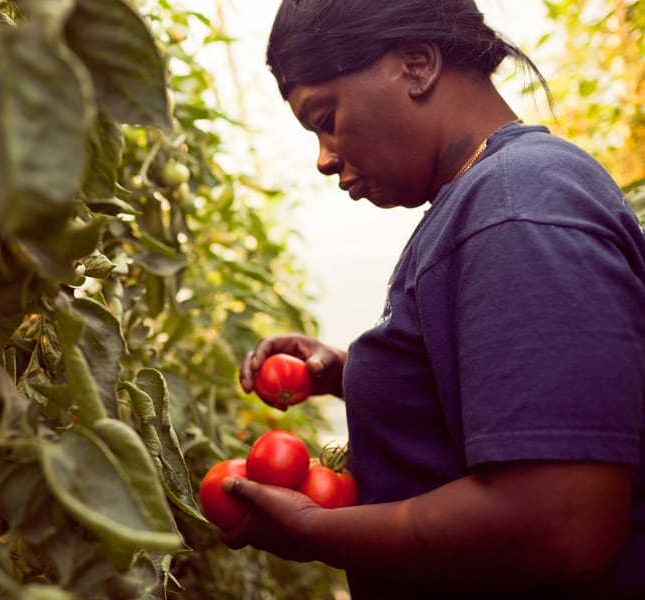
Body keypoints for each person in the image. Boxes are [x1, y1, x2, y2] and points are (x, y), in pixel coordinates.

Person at [229, 1, 645, 598]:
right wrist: (355, 375)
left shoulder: (513, 204)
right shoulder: (495, 195)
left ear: (417, 64)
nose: (323, 159)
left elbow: (561, 524)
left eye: (326, 117)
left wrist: (319, 530)